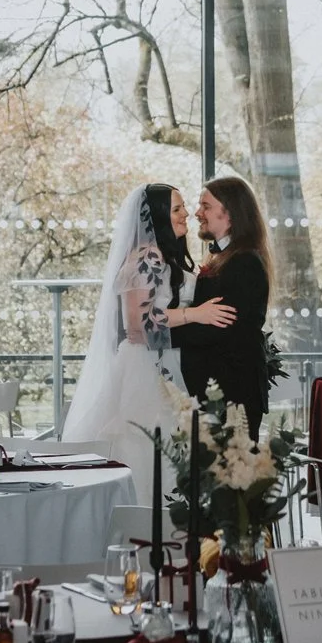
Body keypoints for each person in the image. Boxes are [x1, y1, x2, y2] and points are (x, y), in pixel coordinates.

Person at [60, 183, 234, 500]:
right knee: (146, 446)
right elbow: (138, 325)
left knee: (174, 446)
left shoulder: (167, 258)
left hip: (169, 363)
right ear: (156, 217)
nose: (186, 215)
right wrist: (195, 314)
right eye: (177, 209)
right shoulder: (146, 257)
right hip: (144, 366)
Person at [174, 176, 273, 440]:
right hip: (217, 392)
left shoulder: (245, 263)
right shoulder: (223, 257)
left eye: (205, 206)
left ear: (230, 211)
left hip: (233, 396)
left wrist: (160, 331)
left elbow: (219, 329)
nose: (197, 213)